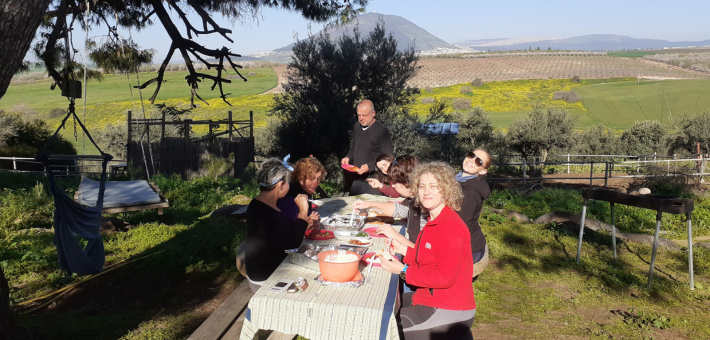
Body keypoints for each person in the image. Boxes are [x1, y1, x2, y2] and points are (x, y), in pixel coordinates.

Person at [380, 162, 476, 340]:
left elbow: (444, 278)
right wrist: (404, 252)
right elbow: (427, 257)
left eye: (433, 186)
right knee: (382, 304)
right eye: (422, 186)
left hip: (449, 308)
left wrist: (403, 270)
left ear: (446, 190)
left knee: (383, 325)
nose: (426, 191)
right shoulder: (434, 220)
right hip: (429, 297)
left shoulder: (450, 227)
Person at [243, 157, 309, 293]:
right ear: (280, 185)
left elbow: (282, 234)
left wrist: (305, 224)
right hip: (265, 278)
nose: (289, 186)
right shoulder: (263, 213)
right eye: (288, 182)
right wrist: (303, 211)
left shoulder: (262, 204)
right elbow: (292, 244)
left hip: (272, 268)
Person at [352, 155, 421, 245]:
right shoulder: (413, 199)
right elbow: (401, 210)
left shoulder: (426, 208)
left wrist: (396, 236)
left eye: (395, 182)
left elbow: (422, 252)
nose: (393, 185)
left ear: (407, 181)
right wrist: (368, 204)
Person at [341, 99, 394, 196]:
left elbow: (389, 157)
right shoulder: (357, 126)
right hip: (357, 179)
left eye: (364, 115)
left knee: (372, 210)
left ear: (373, 113)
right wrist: (348, 157)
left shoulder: (382, 131)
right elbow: (353, 146)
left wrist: (369, 167)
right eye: (358, 115)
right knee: (353, 208)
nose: (361, 118)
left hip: (374, 181)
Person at [457, 149, 492, 266]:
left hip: (467, 248)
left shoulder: (469, 192)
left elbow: (460, 224)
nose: (472, 160)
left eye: (479, 161)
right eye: (471, 155)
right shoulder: (457, 179)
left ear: (482, 171)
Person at [276, 156, 326, 228]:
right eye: (311, 179)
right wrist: (306, 224)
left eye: (318, 179)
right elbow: (285, 230)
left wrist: (310, 219)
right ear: (300, 177)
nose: (316, 183)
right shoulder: (291, 200)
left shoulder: (304, 191)